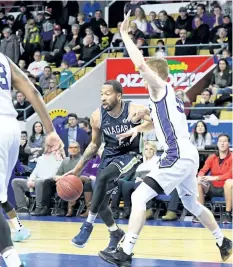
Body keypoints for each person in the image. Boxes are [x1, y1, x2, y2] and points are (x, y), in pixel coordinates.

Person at [98, 11, 232, 266]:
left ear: (155, 75)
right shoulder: (164, 98)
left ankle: (125, 252)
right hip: (186, 153)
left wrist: (125, 35)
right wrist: (138, 129)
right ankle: (223, 241)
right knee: (192, 204)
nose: (141, 77)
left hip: (177, 153)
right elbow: (159, 122)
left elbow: (139, 65)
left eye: (146, 75)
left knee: (138, 197)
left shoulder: (160, 87)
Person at [67, 79, 150, 253]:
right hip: (109, 155)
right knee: (102, 203)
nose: (103, 98)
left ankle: (87, 226)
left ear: (118, 95)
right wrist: (77, 169)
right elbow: (94, 145)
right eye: (101, 94)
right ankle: (115, 233)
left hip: (130, 155)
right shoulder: (96, 116)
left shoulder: (134, 109)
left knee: (103, 177)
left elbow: (154, 122)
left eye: (107, 94)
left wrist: (138, 128)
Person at [0, 52, 64, 267]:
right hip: (11, 128)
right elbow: (33, 92)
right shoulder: (4, 59)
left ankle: (14, 262)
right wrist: (51, 131)